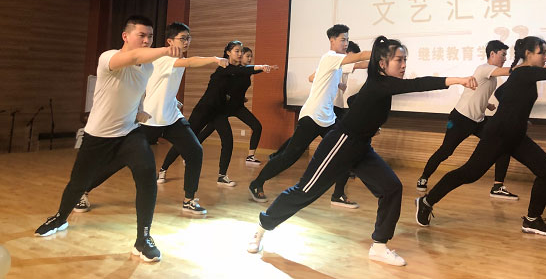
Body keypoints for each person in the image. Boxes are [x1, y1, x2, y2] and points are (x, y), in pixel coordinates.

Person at [246, 36, 478, 266]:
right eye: (399, 60)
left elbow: (356, 99)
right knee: (305, 191)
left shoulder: (380, 85)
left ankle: (379, 246)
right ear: (382, 63)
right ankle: (262, 228)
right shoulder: (380, 84)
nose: (404, 65)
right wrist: (458, 80)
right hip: (341, 144)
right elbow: (418, 84)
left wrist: (366, 121)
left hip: (361, 147)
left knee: (391, 188)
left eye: (405, 60)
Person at [415, 36, 546, 237]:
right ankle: (426, 201)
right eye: (542, 53)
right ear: (528, 54)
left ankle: (532, 220)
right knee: (469, 173)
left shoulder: (522, 74)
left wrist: (516, 116)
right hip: (498, 134)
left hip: (515, 135)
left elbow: (502, 93)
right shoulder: (523, 73)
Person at [34, 16, 181, 262]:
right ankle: (60, 218)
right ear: (126, 36)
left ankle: (143, 238)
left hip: (129, 133)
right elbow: (134, 57)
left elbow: (136, 90)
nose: (146, 40)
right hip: (98, 135)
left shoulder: (148, 67)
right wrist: (166, 50)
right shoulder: (108, 58)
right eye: (141, 35)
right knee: (78, 183)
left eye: (150, 36)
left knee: (147, 175)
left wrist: (140, 109)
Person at [74, 22, 229, 216]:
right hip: (150, 120)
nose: (187, 42)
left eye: (188, 38)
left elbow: (159, 84)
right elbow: (190, 63)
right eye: (183, 38)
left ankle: (189, 200)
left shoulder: (176, 60)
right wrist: (215, 59)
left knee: (195, 151)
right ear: (169, 41)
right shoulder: (164, 58)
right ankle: (82, 191)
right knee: (119, 159)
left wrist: (173, 100)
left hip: (171, 118)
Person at [248, 25, 370, 205]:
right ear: (332, 41)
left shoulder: (338, 64)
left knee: (345, 151)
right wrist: (381, 53)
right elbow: (359, 57)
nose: (346, 43)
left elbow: (356, 64)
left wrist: (380, 62)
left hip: (328, 118)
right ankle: (257, 183)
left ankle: (338, 195)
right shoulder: (330, 57)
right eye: (343, 39)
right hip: (312, 117)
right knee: (289, 157)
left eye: (347, 40)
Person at [158, 40, 276, 187]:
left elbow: (243, 73)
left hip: (219, 111)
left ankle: (222, 176)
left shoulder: (237, 70)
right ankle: (163, 169)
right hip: (204, 109)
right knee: (186, 140)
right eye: (237, 51)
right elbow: (242, 71)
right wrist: (261, 67)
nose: (240, 54)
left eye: (241, 51)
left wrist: (259, 71)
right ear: (228, 52)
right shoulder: (224, 67)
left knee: (228, 140)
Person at [416, 40, 518, 201]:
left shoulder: (492, 78)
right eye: (503, 54)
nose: (505, 58)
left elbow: (477, 93)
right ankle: (423, 177)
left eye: (506, 55)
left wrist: (487, 104)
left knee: (501, 144)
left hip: (478, 121)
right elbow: (508, 71)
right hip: (460, 119)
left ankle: (498, 186)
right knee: (445, 151)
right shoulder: (484, 68)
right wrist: (529, 66)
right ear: (492, 54)